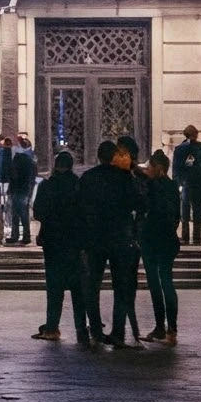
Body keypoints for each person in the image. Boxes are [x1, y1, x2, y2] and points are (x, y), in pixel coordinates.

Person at [79, 138, 145, 350]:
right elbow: (139, 202)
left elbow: (79, 206)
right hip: (119, 237)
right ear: (114, 157)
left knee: (93, 286)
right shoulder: (124, 178)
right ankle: (118, 332)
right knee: (121, 286)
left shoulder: (88, 178)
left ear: (98, 157)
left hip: (94, 238)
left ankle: (96, 330)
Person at [30, 149, 92, 344]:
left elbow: (38, 212)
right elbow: (86, 212)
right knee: (78, 289)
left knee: (54, 287)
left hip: (53, 242)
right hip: (75, 242)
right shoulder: (79, 185)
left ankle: (52, 327)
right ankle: (81, 329)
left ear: (56, 165)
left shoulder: (48, 186)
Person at [140, 149, 182, 343]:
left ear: (158, 168)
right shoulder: (173, 187)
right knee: (167, 281)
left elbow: (144, 211)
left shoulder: (150, 187)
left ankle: (160, 327)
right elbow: (176, 216)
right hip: (168, 240)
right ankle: (172, 329)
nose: (147, 170)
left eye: (149, 167)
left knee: (155, 284)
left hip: (151, 240)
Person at [171, 125, 201, 247]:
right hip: (198, 183)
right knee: (197, 211)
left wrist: (178, 184)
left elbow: (176, 169)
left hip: (185, 183)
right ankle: (196, 236)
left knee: (184, 210)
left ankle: (185, 235)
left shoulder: (179, 149)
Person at [4, 135, 37, 246]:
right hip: (22, 190)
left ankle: (20, 235)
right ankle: (19, 235)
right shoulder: (29, 159)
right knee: (18, 214)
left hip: (20, 190)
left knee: (20, 214)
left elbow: (15, 175)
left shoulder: (21, 159)